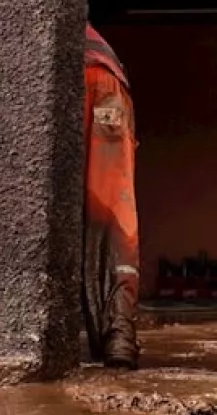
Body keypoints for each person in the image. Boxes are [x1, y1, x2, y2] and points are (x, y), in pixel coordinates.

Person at [82, 22, 140, 368]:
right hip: (111, 86)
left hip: (69, 79)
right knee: (116, 206)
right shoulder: (93, 37)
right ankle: (120, 335)